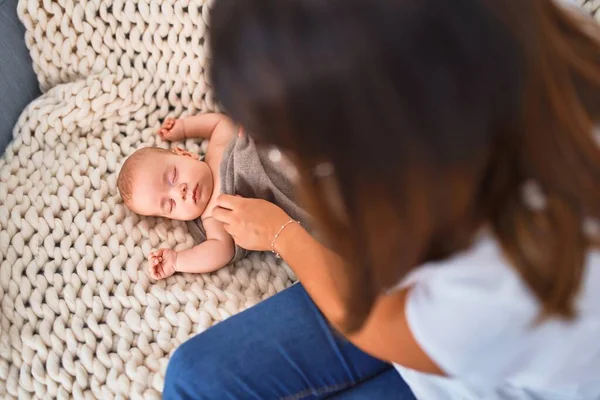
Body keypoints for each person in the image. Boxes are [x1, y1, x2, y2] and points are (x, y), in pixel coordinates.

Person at [163, 0, 600, 398]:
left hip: (459, 352)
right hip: (414, 296)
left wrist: (282, 234)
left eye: (285, 140)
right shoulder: (498, 37)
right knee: (196, 376)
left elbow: (378, 326)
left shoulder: (505, 268)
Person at [117, 113, 310, 280]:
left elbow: (220, 123)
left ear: (186, 154)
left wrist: (184, 127)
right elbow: (220, 251)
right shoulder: (213, 216)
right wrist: (177, 261)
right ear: (171, 218)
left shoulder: (217, 150)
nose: (179, 192)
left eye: (173, 177)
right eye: (170, 204)